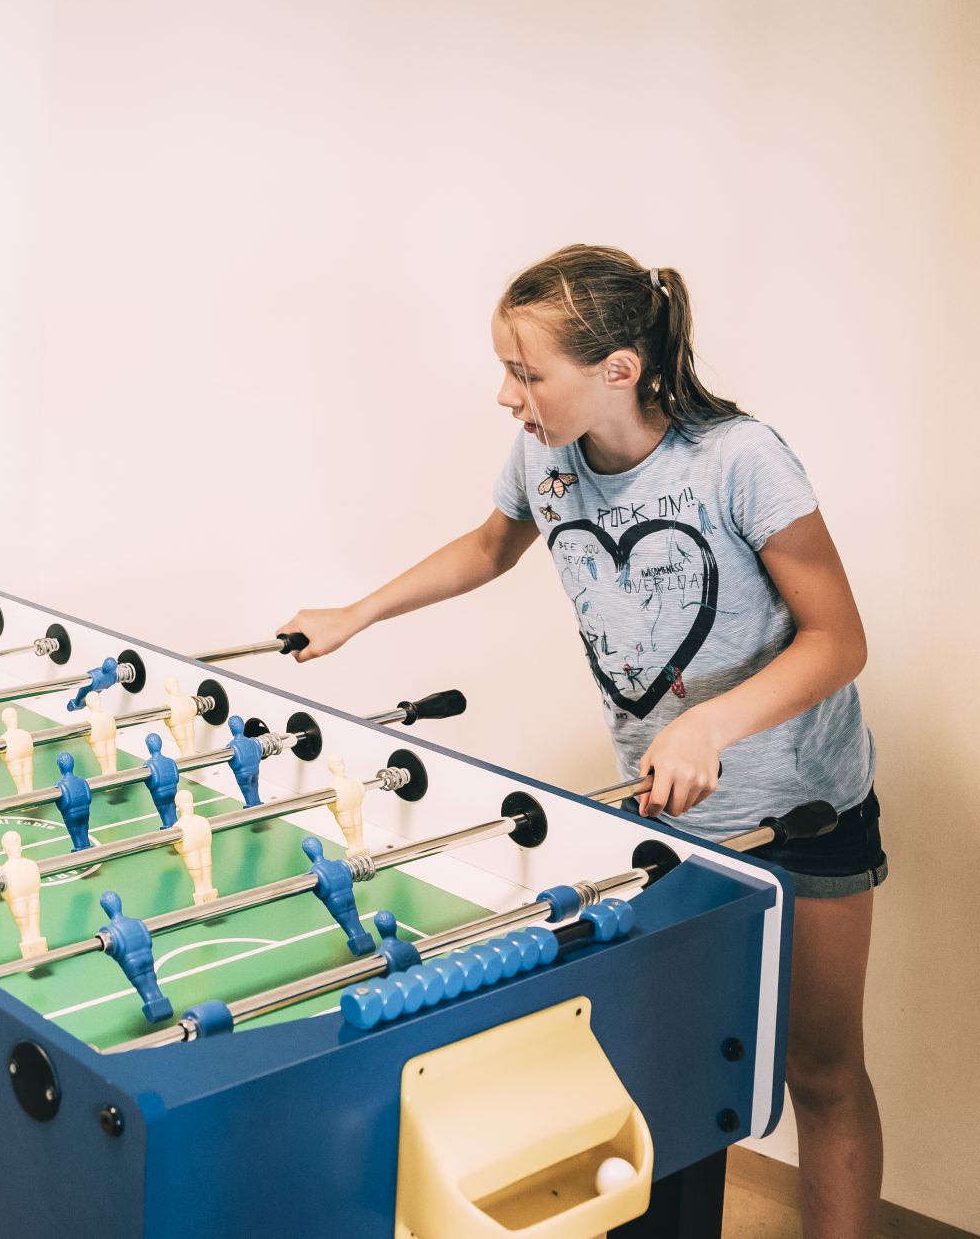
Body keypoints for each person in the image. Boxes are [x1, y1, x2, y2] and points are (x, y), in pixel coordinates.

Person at [279, 244, 882, 1238]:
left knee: (818, 1070)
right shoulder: (541, 457)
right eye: (505, 370)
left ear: (618, 369)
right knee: (680, 1070)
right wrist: (357, 612)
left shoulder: (739, 459)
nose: (505, 397)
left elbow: (838, 639)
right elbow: (487, 546)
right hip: (669, 825)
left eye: (526, 374)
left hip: (803, 810)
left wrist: (707, 722)